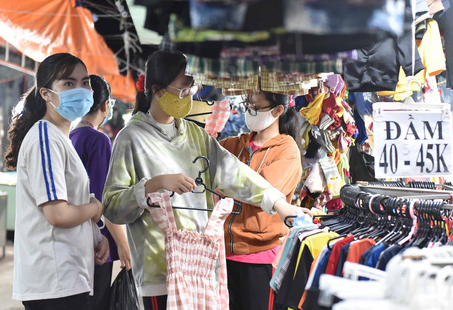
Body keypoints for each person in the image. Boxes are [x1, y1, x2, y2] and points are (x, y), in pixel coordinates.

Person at [103, 50, 309, 310]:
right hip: (160, 270)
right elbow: (111, 205)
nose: (190, 96)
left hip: (202, 266)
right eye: (183, 89)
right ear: (157, 90)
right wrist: (154, 184)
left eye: (192, 88)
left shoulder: (194, 134)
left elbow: (234, 172)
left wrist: (278, 204)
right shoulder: (130, 137)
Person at [5, 53, 109, 310]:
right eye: (68, 84)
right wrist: (97, 208)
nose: (82, 90)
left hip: (67, 276)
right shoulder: (45, 138)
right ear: (46, 93)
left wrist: (97, 235)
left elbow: (71, 203)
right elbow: (58, 214)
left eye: (85, 82)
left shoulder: (61, 136)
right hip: (53, 280)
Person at [219, 92, 303, 310]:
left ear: (277, 111)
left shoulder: (287, 150)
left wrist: (224, 182)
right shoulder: (234, 145)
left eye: (256, 107)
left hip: (260, 257)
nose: (249, 111)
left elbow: (264, 189)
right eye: (248, 105)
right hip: (222, 254)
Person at [70, 75, 132, 310]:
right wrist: (122, 243)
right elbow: (103, 199)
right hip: (97, 243)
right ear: (106, 105)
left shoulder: (70, 136)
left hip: (73, 235)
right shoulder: (98, 140)